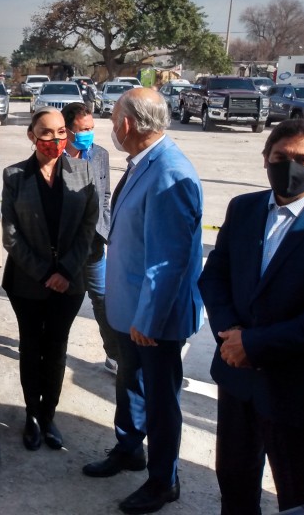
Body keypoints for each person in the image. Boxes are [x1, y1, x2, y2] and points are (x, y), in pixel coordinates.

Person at [82, 88, 203, 515]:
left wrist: (148, 320)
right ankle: (130, 448)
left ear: (129, 125)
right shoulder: (142, 164)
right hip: (130, 308)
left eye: (113, 119)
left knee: (161, 399)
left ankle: (163, 480)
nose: (111, 127)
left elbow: (170, 261)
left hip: (155, 317)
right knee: (129, 383)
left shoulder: (169, 172)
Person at [199, 119, 304, 513]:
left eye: (303, 159)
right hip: (237, 377)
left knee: (298, 492)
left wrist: (254, 344)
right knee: (234, 479)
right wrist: (231, 333)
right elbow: (215, 274)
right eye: (280, 157)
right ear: (265, 158)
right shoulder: (245, 208)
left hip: (296, 388)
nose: (290, 166)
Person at [1, 107, 98, 452]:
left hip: (69, 283)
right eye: (46, 133)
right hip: (28, 282)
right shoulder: (13, 176)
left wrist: (66, 271)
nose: (54, 140)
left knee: (56, 348)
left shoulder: (85, 172)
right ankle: (31, 416)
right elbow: (11, 236)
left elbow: (89, 230)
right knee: (31, 347)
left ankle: (49, 414)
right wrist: (45, 273)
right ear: (31, 136)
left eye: (60, 133)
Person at [61, 101, 119, 374]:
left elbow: (105, 194)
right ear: (68, 131)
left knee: (103, 298)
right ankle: (49, 349)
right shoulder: (54, 158)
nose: (89, 134)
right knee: (60, 304)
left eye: (92, 128)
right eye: (83, 129)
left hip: (94, 244)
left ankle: (114, 355)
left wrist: (104, 229)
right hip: (64, 248)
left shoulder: (100, 155)